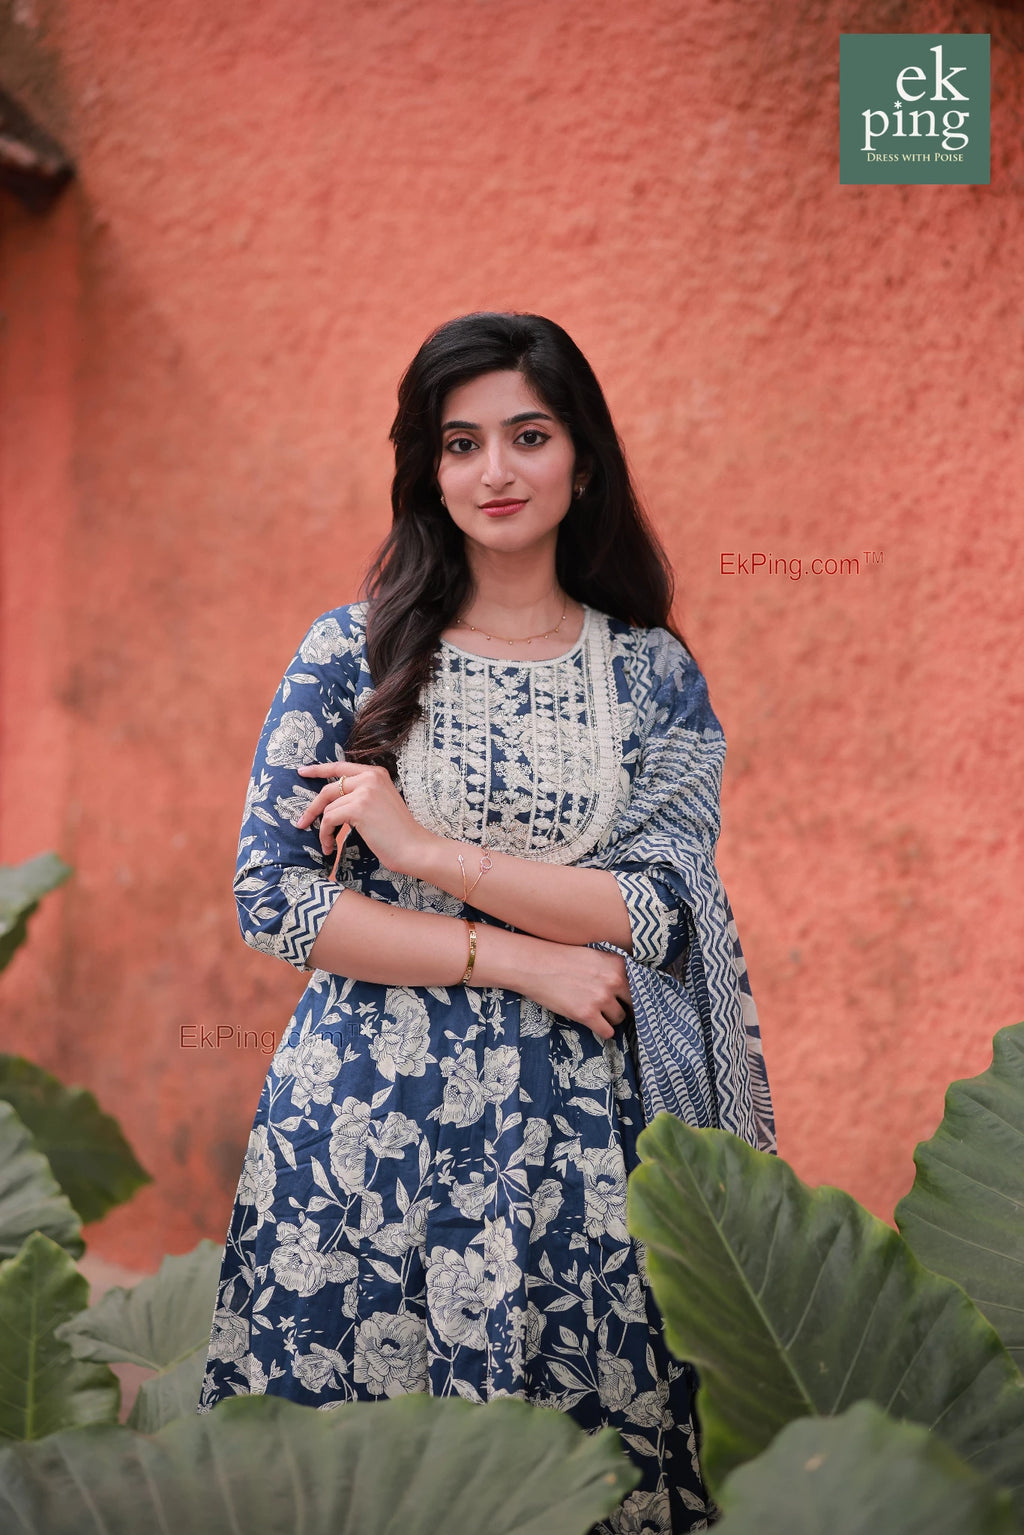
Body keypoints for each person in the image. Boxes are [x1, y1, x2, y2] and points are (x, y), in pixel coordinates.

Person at [198, 311, 774, 1533]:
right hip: (361, 1135)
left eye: (528, 434)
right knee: (353, 1471)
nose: (495, 471)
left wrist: (417, 849)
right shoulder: (346, 654)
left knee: (583, 1469)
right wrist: (521, 959)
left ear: (583, 457)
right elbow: (277, 898)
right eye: (461, 443)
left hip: (585, 1141)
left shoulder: (649, 672)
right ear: (427, 466)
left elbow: (658, 904)